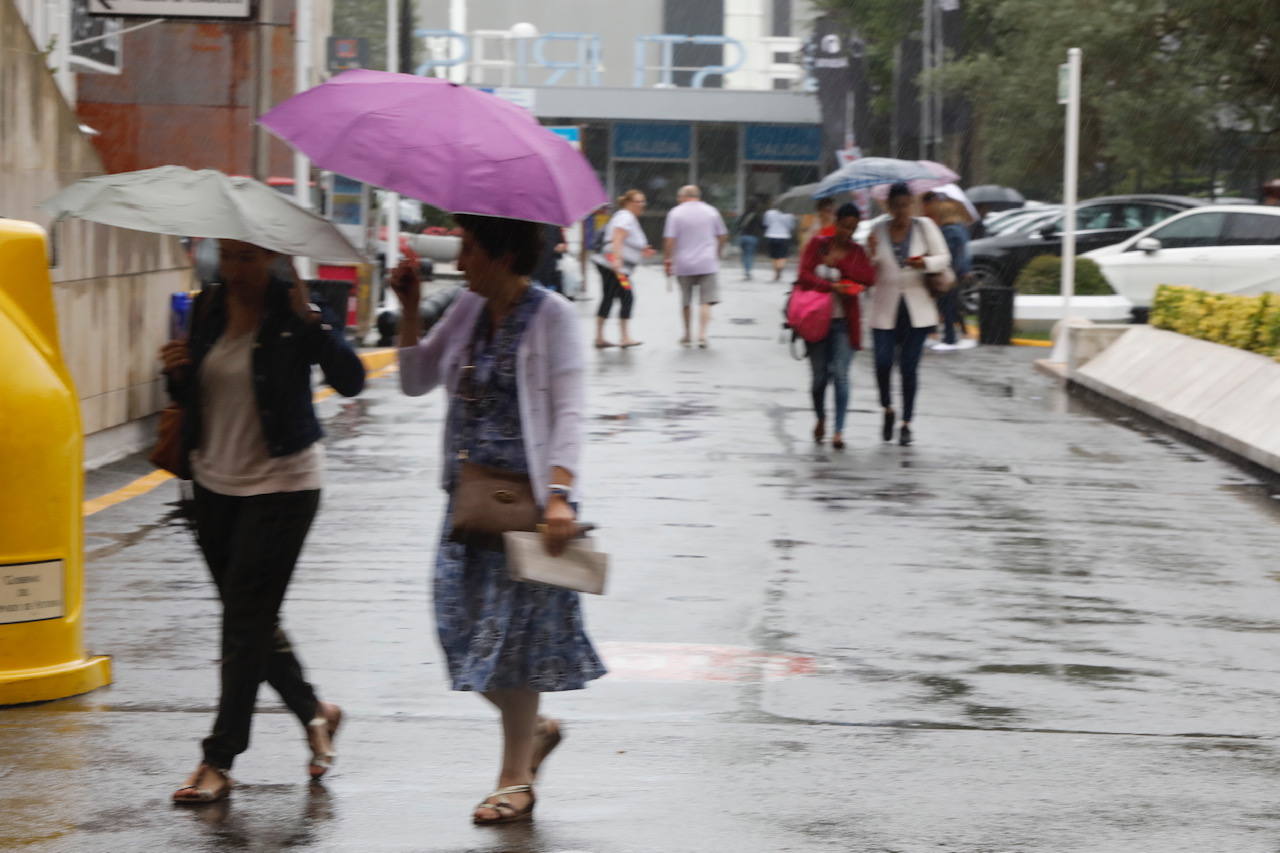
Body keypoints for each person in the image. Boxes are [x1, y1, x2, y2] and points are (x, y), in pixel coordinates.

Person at [390, 214, 606, 826]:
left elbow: (569, 411)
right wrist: (408, 308)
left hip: (531, 505)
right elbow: (413, 379)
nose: (460, 261)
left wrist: (562, 494)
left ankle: (515, 778)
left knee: (514, 645)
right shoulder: (465, 308)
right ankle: (531, 731)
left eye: (470, 248)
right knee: (456, 631)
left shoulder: (553, 316)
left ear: (503, 253)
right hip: (468, 502)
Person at [159, 240, 366, 804]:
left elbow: (351, 381)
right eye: (227, 256)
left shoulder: (296, 313)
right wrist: (177, 372)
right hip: (211, 485)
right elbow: (200, 397)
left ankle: (219, 758)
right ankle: (315, 712)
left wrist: (317, 323)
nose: (236, 270)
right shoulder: (208, 307)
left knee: (243, 625)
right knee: (248, 618)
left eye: (247, 258)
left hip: (283, 486)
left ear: (273, 259)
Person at [866, 182, 951, 447]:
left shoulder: (925, 227)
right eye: (897, 206)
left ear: (911, 205)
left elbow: (944, 258)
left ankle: (906, 423)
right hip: (884, 308)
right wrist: (868, 252)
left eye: (906, 205)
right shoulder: (877, 230)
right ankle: (888, 408)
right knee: (882, 363)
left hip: (917, 309)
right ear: (889, 206)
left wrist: (924, 262)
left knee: (908, 367)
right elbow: (868, 268)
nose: (902, 211)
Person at [794, 203, 877, 450]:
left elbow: (869, 278)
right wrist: (830, 285)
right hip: (815, 321)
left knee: (840, 374)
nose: (847, 233)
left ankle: (839, 431)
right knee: (820, 377)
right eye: (844, 226)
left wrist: (842, 269)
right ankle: (821, 417)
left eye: (853, 228)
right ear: (836, 223)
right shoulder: (818, 245)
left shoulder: (856, 252)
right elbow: (803, 276)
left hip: (844, 323)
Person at [663, 185, 728, 348]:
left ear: (683, 197)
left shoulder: (675, 213)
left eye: (679, 198)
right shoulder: (711, 211)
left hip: (683, 263)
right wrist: (718, 251)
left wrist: (667, 259)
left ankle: (686, 335)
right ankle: (702, 335)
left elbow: (669, 239)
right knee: (705, 301)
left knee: (686, 301)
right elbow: (722, 235)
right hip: (707, 262)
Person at [592, 189, 653, 349]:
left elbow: (626, 239)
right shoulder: (626, 216)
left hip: (613, 265)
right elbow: (618, 236)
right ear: (627, 202)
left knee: (611, 296)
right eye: (637, 201)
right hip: (614, 266)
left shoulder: (627, 217)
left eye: (642, 201)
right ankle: (622, 337)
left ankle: (602, 337)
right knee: (626, 296)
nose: (641, 205)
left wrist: (642, 249)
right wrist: (617, 261)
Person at [923, 192, 975, 351]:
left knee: (947, 304)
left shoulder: (949, 231)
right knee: (950, 305)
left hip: (949, 273)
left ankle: (949, 338)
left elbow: (948, 255)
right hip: (956, 272)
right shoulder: (959, 228)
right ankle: (952, 335)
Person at [763, 202, 797, 282]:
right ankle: (779, 269)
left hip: (771, 235)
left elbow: (766, 224)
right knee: (782, 256)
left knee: (774, 256)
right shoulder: (789, 215)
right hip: (784, 236)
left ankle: (776, 272)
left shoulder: (769, 213)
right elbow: (791, 226)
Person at [734, 197, 767, 280]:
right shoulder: (758, 215)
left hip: (743, 236)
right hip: (753, 237)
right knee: (749, 254)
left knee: (744, 254)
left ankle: (746, 270)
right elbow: (762, 226)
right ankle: (748, 271)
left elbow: (738, 224)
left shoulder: (744, 214)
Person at [532, 224, 567, 295]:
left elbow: (561, 243)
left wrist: (561, 247)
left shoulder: (553, 224)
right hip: (534, 269)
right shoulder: (530, 225)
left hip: (550, 269)